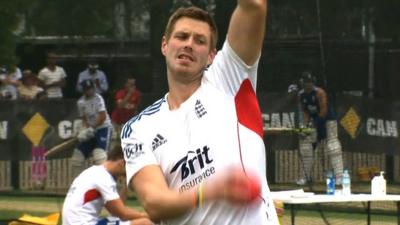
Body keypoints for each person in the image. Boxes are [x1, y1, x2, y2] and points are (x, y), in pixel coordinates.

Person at [121, 2, 279, 225]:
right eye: (182, 36)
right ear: (165, 45)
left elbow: (254, 6)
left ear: (212, 55)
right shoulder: (138, 128)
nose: (189, 44)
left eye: (200, 40)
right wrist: (211, 191)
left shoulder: (228, 77)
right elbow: (154, 203)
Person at [62, 145, 153, 225]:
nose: (128, 172)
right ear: (122, 163)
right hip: (83, 223)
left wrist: (126, 183)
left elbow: (116, 211)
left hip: (76, 222)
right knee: (145, 223)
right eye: (129, 167)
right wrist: (150, 216)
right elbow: (123, 213)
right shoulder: (103, 178)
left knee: (117, 219)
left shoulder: (94, 172)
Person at [298, 71, 344, 185]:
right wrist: (306, 124)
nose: (307, 85)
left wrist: (315, 122)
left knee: (333, 146)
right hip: (314, 120)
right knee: (306, 147)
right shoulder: (301, 94)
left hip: (328, 120)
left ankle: (340, 177)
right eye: (305, 82)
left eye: (309, 82)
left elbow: (324, 110)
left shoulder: (319, 92)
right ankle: (306, 177)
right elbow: (305, 111)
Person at [71, 79, 113, 178]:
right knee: (77, 157)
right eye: (86, 89)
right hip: (91, 129)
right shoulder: (80, 102)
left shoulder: (98, 98)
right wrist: (84, 130)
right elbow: (85, 119)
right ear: (83, 90)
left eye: (90, 88)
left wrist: (91, 128)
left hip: (103, 128)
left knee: (99, 157)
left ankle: (105, 183)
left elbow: (102, 117)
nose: (89, 91)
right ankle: (80, 185)